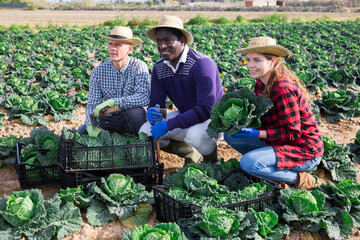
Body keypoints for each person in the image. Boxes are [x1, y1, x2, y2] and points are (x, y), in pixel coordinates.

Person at [225, 37, 324, 190]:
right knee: (229, 135)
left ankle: (300, 179)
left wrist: (256, 134)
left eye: (257, 60)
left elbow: (292, 133)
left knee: (248, 163)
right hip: (280, 142)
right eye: (249, 60)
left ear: (272, 61)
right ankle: (271, 168)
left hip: (304, 150)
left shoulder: (283, 88)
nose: (251, 65)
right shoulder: (261, 82)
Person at [139, 15, 224, 165]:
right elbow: (157, 103)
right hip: (187, 115)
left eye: (168, 40)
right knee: (145, 132)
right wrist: (153, 112)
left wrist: (168, 125)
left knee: (195, 134)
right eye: (159, 41)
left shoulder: (202, 64)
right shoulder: (159, 68)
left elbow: (206, 109)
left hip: (214, 120)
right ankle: (190, 152)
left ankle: (213, 162)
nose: (162, 46)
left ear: (182, 40)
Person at [78, 26, 150, 137]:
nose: (113, 48)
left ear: (129, 49)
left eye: (118, 45)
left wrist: (114, 102)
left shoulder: (139, 66)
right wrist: (91, 126)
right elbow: (92, 105)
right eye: (110, 44)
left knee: (135, 113)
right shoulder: (99, 71)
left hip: (133, 119)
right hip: (111, 118)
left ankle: (142, 143)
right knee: (82, 132)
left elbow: (144, 97)